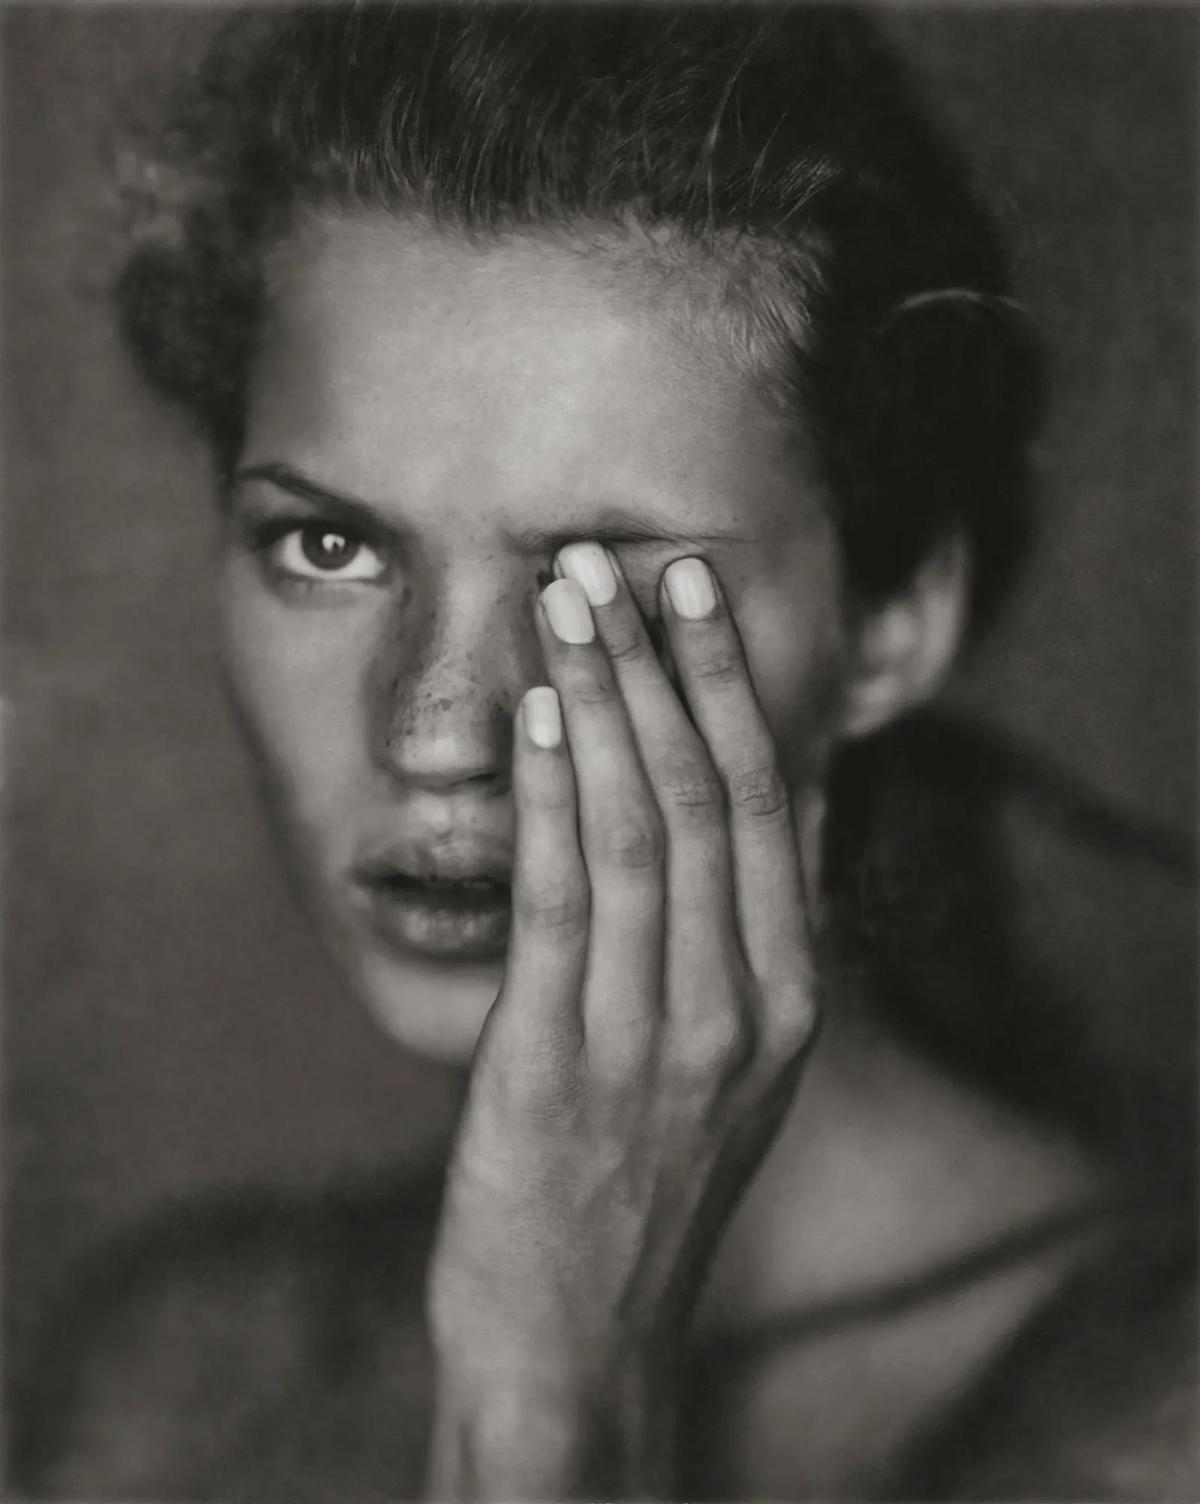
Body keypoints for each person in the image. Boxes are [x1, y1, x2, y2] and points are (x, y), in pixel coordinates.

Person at [10, 4, 1195, 1500]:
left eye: (594, 584)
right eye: (328, 546)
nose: (437, 733)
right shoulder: (176, 1383)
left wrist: (548, 1411)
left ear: (894, 619)